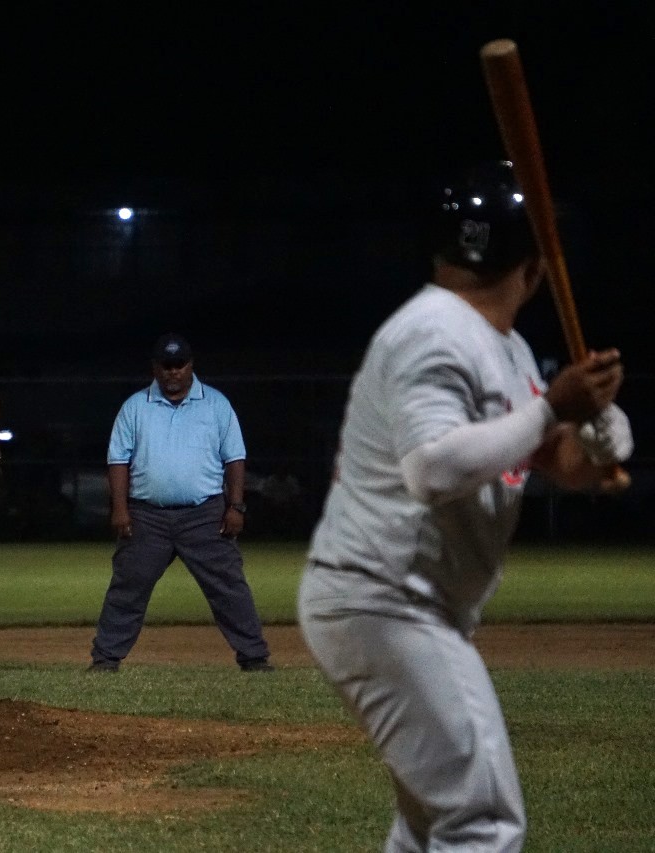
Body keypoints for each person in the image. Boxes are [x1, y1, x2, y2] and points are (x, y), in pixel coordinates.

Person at [297, 160, 633, 852]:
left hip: (407, 603)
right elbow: (433, 467)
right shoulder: (433, 332)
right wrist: (553, 412)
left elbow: (543, 458)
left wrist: (594, 443)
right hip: (386, 599)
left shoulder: (499, 346)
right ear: (534, 270)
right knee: (481, 821)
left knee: (430, 824)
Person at [88, 333, 273, 673]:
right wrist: (119, 508)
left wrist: (236, 506)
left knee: (228, 586)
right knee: (128, 586)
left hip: (205, 514)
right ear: (155, 368)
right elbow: (118, 460)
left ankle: (254, 657)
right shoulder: (135, 406)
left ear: (191, 365)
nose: (173, 372)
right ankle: (105, 659)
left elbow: (235, 458)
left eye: (179, 365)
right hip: (147, 516)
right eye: (166, 365)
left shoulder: (216, 404)